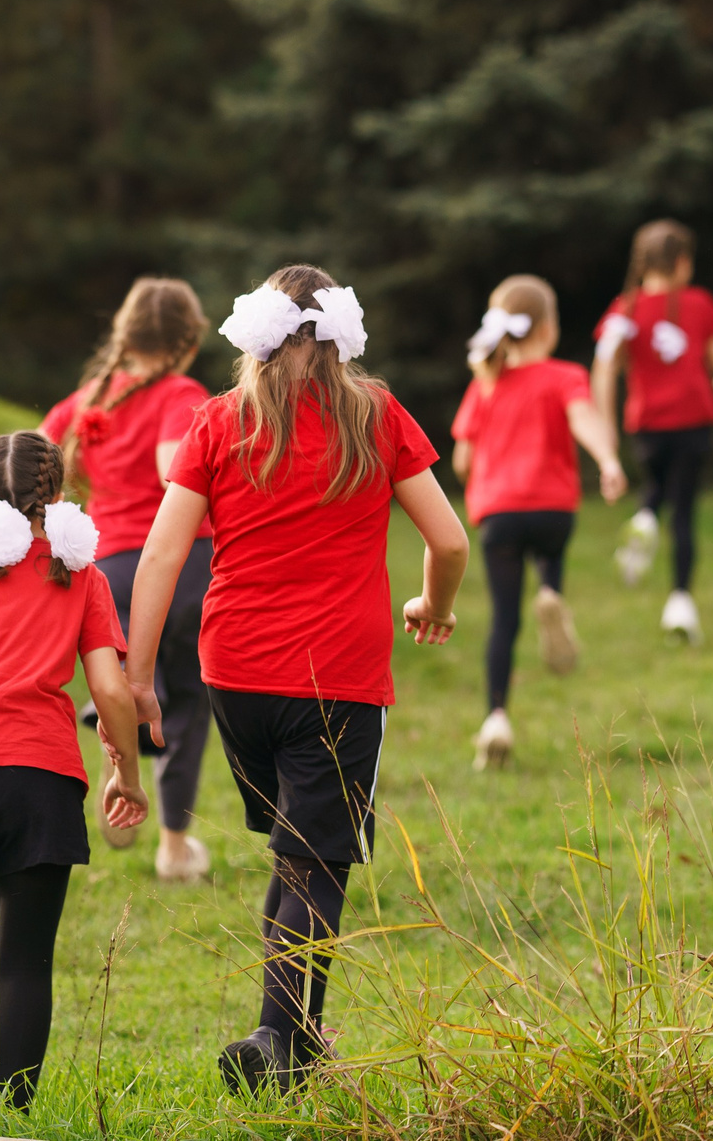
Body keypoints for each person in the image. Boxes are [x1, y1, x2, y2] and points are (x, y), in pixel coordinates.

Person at [121, 268, 468, 1092]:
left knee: (294, 854)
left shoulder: (218, 419)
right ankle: (276, 1038)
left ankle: (299, 1043)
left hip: (234, 675)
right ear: (339, 333)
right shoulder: (376, 415)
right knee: (314, 862)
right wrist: (433, 602)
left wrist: (138, 676)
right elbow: (450, 541)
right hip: (337, 678)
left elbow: (163, 555)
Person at [0, 432, 150, 1108]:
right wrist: (126, 772)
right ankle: (13, 1108)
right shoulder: (81, 577)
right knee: (26, 957)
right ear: (59, 499)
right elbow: (110, 691)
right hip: (41, 777)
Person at [41, 279, 217, 884]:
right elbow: (176, 469)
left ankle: (115, 751)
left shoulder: (85, 400)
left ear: (125, 334)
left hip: (109, 570)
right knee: (189, 705)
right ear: (188, 341)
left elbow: (36, 465)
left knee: (128, 682)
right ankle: (173, 846)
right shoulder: (181, 393)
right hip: (187, 566)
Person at [451, 276, 628, 771]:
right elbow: (583, 420)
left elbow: (462, 460)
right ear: (548, 328)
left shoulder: (485, 382)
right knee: (550, 554)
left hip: (499, 513)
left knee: (503, 621)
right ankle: (551, 592)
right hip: (553, 511)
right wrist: (608, 461)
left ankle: (496, 716)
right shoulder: (564, 376)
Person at [592, 221, 713, 644]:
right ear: (681, 262)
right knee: (685, 509)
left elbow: (611, 364)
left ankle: (643, 518)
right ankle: (679, 599)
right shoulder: (698, 304)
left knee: (657, 486)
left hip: (647, 425)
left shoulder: (625, 309)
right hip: (692, 422)